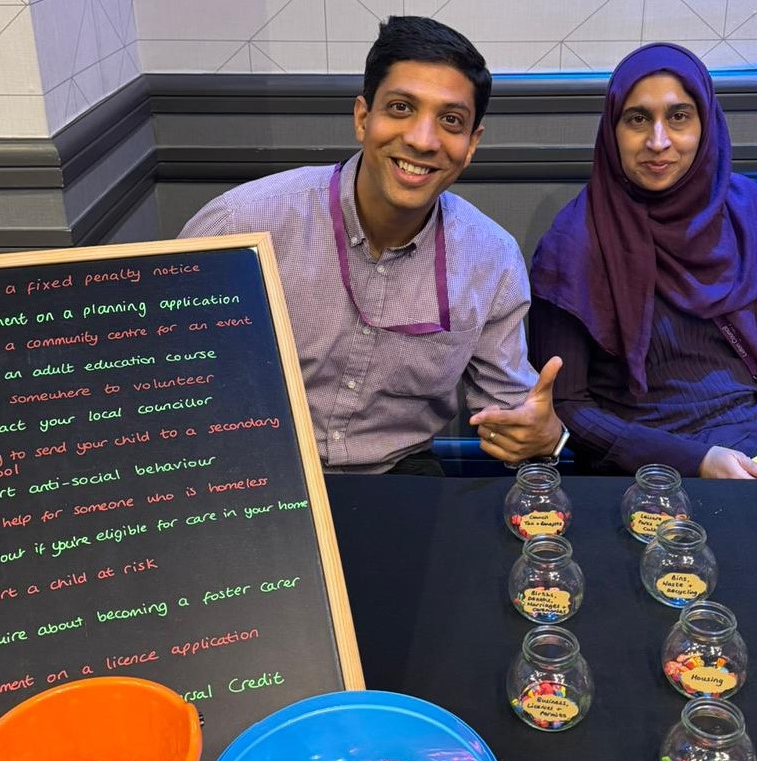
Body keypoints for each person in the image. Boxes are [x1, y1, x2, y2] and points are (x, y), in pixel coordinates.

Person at [179, 15, 564, 475]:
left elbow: (512, 416)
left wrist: (542, 435)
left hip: (396, 477)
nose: (422, 140)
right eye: (401, 108)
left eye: (450, 120)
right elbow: (165, 371)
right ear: (363, 117)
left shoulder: (490, 259)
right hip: (249, 476)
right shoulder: (241, 223)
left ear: (471, 144)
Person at [529, 42, 757, 479]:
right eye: (637, 119)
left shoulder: (747, 214)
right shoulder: (574, 242)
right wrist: (695, 462)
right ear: (612, 131)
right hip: (646, 473)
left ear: (706, 123)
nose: (658, 141)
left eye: (678, 117)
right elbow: (566, 406)